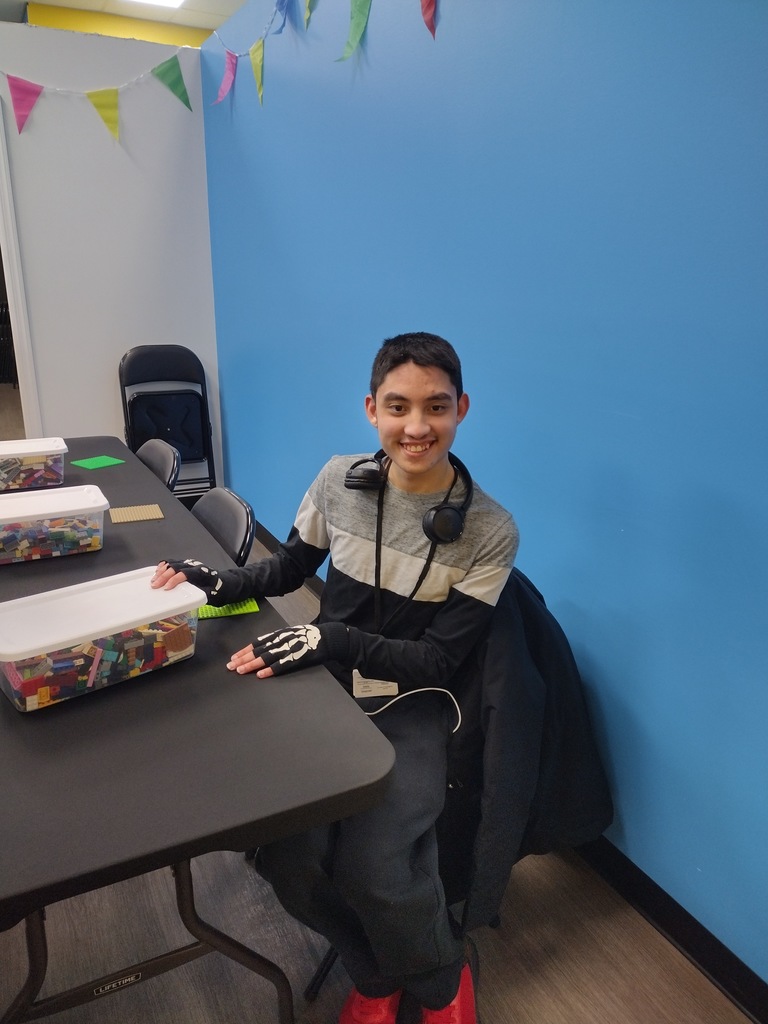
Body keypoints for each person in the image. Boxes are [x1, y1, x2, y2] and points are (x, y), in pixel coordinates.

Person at [151, 332, 519, 1024]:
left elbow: (440, 662)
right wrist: (216, 587)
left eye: (436, 407)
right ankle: (374, 972)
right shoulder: (338, 481)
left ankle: (442, 982)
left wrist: (334, 637)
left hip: (417, 706)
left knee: (375, 867)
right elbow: (287, 571)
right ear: (371, 408)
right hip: (328, 694)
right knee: (287, 862)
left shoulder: (491, 530)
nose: (416, 427)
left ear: (462, 408)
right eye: (399, 406)